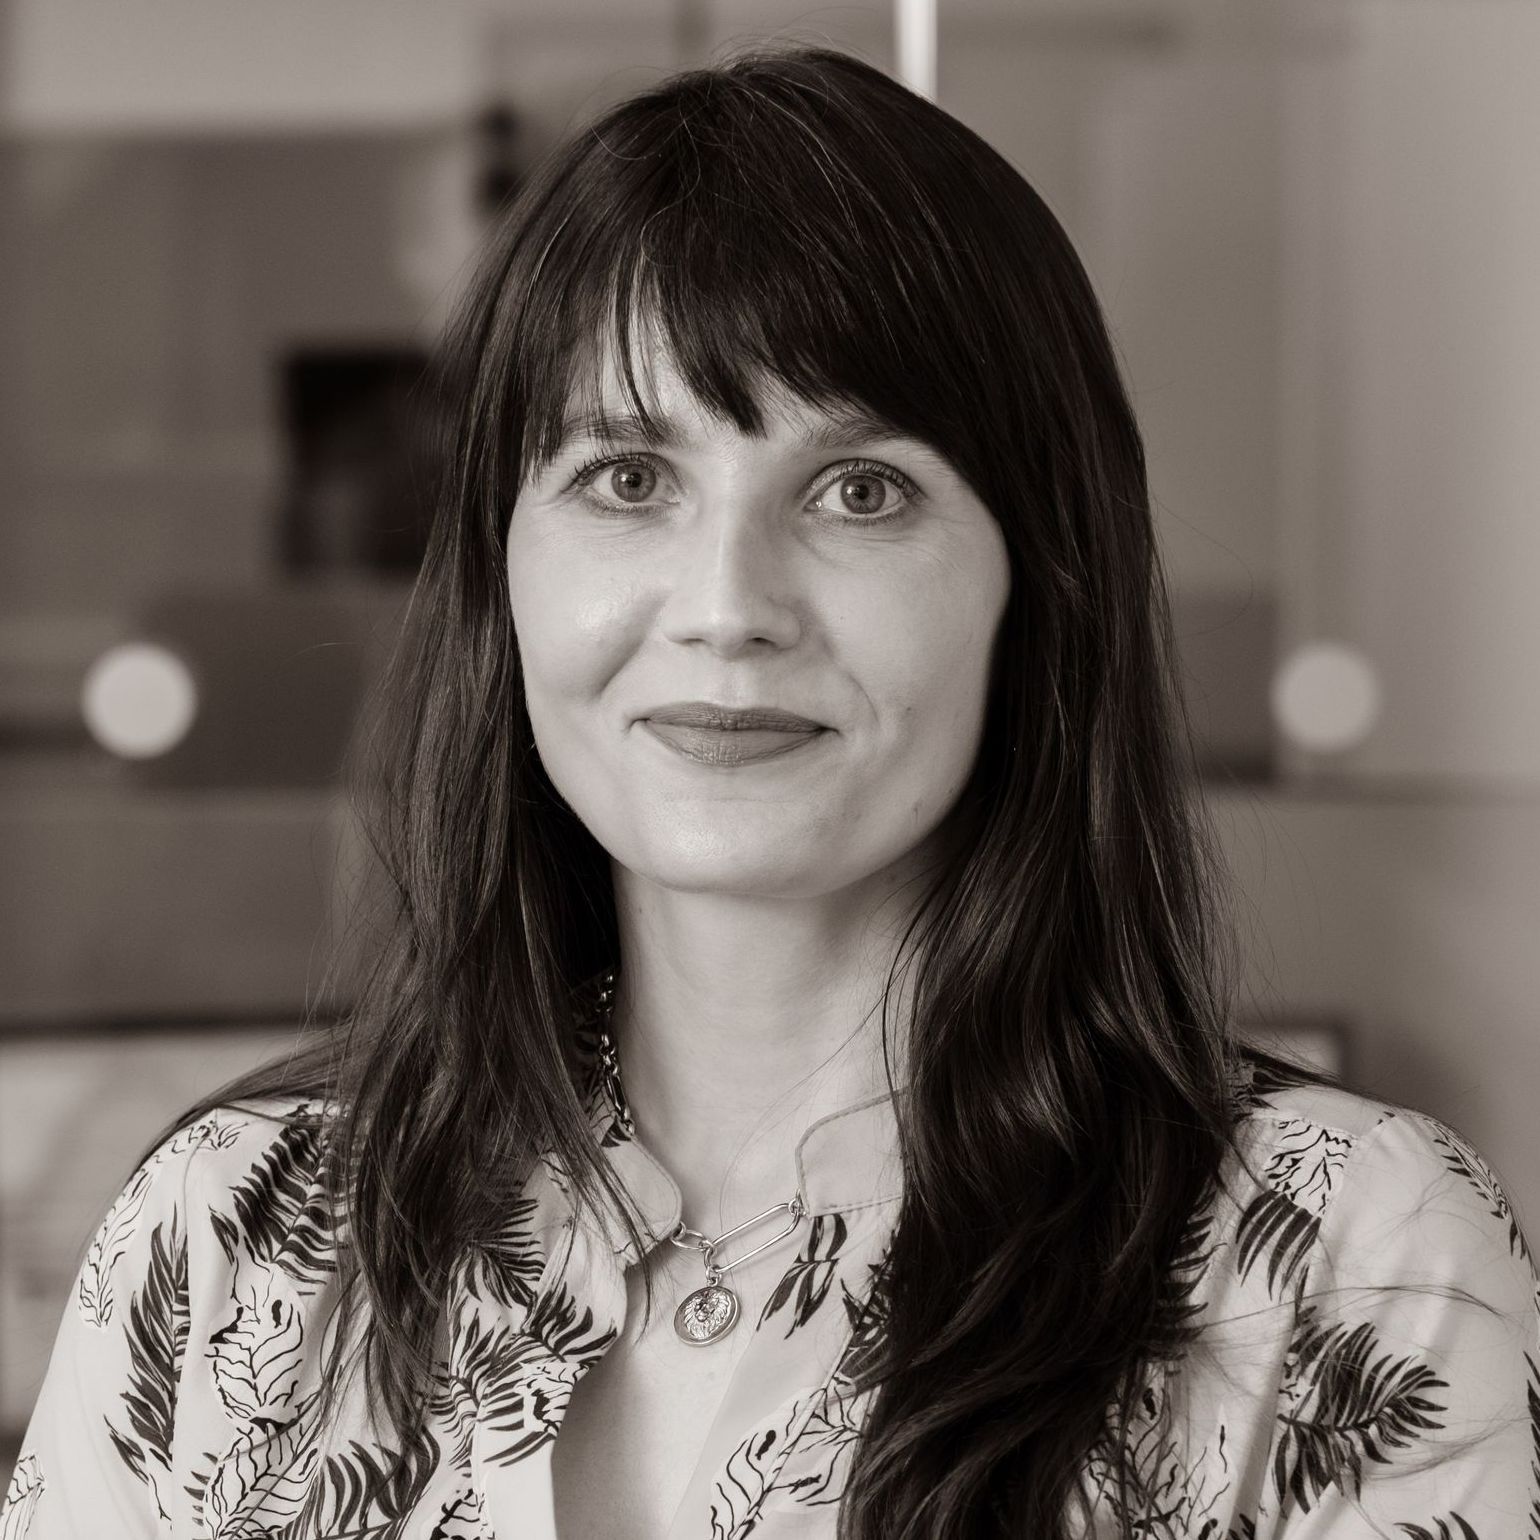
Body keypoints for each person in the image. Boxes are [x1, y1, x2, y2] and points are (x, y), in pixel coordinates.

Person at [4, 41, 1536, 1540]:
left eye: (860, 491)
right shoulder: (227, 1240)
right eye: (626, 479)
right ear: (503, 571)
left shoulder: (1351, 1265)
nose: (728, 605)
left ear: (1037, 586)